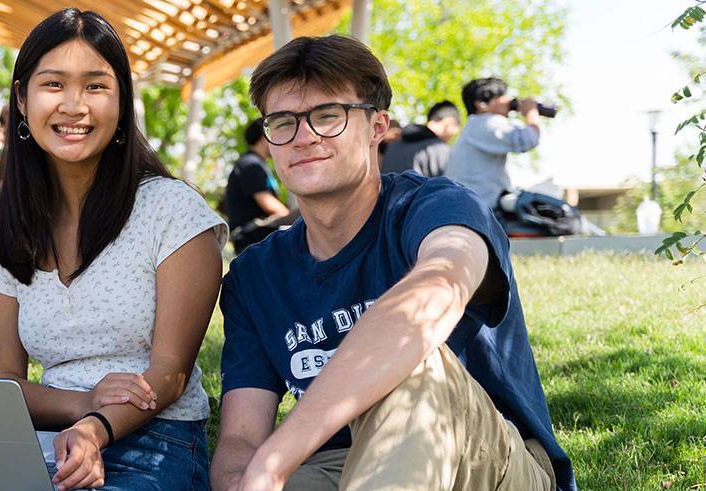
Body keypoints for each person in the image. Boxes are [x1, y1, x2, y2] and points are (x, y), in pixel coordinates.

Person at [210, 35, 574, 491]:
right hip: (339, 467)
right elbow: (241, 438)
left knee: (410, 363)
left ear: (377, 127)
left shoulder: (437, 208)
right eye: (282, 122)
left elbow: (431, 296)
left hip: (483, 458)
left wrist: (275, 462)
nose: (303, 137)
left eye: (328, 116)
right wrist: (246, 478)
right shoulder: (254, 276)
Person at [0, 9, 227, 491]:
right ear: (22, 100)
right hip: (46, 439)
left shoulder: (171, 210)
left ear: (122, 103)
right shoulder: (15, 233)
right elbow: (2, 386)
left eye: (95, 86)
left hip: (155, 439)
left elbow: (170, 373)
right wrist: (79, 407)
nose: (74, 106)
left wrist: (95, 427)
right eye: (53, 85)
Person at [446, 77, 544, 210]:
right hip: (481, 210)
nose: (508, 100)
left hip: (468, 206)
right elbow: (528, 139)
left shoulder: (473, 126)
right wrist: (531, 112)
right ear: (482, 104)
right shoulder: (485, 122)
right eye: (501, 96)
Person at [222, 117, 292, 252]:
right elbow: (269, 204)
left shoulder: (256, 164)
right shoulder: (251, 164)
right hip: (253, 242)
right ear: (264, 136)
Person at [382, 100, 461, 177]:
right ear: (440, 119)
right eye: (456, 123)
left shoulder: (394, 146)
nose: (457, 130)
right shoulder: (440, 149)